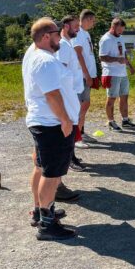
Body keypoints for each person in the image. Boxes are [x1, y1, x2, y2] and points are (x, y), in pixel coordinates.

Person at [22, 18, 80, 240]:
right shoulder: (45, 61)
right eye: (57, 33)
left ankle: (40, 211)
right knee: (52, 173)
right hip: (52, 124)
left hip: (43, 121)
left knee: (41, 167)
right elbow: (52, 95)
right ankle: (47, 224)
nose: (60, 37)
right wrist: (65, 120)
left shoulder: (36, 55)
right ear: (46, 36)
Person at [56, 15, 87, 171]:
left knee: (74, 125)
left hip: (73, 92)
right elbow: (61, 70)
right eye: (76, 26)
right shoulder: (62, 45)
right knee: (70, 127)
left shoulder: (68, 44)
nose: (78, 29)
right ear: (66, 26)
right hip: (68, 93)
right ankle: (69, 159)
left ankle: (71, 156)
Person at [99, 17, 135, 131]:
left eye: (122, 30)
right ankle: (111, 121)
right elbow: (102, 57)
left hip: (122, 72)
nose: (121, 32)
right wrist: (117, 60)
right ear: (113, 27)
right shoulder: (106, 39)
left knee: (124, 97)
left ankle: (125, 120)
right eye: (119, 30)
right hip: (111, 73)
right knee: (111, 98)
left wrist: (130, 66)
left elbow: (124, 53)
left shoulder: (120, 38)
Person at [72, 9, 97, 147]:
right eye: (92, 20)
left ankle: (80, 132)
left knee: (85, 104)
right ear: (86, 19)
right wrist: (86, 74)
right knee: (80, 105)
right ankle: (76, 137)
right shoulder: (78, 33)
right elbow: (78, 54)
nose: (93, 23)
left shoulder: (86, 34)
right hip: (81, 75)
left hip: (87, 75)